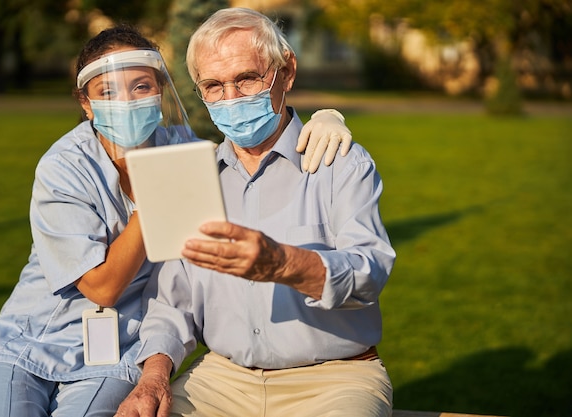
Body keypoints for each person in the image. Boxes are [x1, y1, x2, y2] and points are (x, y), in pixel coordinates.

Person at [0, 23, 353, 417]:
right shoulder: (64, 166)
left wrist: (325, 117)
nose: (128, 100)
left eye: (141, 87)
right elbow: (102, 288)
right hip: (28, 342)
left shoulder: (182, 148)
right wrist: (159, 192)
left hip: (119, 351)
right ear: (86, 104)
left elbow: (244, 132)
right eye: (108, 91)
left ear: (160, 90)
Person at [117, 7, 396, 417]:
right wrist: (154, 377)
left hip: (335, 379)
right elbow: (172, 304)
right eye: (213, 85)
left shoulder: (339, 161)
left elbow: (369, 272)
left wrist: (283, 263)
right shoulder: (194, 176)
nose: (231, 99)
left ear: (286, 72)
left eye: (247, 78)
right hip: (224, 379)